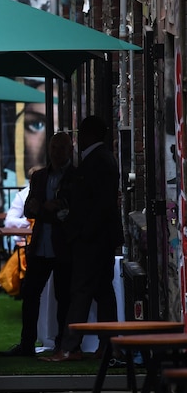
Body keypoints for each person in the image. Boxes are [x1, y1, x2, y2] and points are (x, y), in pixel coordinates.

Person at [44, 116, 123, 362]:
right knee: (102, 292)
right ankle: (107, 346)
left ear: (83, 135)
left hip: (92, 240)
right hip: (100, 239)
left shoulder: (97, 161)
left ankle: (69, 347)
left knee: (80, 291)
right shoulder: (103, 159)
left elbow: (99, 204)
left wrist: (81, 233)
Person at [0, 133, 75, 357]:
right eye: (53, 147)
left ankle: (63, 344)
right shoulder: (40, 176)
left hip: (63, 247)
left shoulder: (75, 177)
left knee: (64, 298)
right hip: (40, 245)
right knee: (30, 294)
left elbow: (71, 213)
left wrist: (44, 209)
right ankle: (27, 344)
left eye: (61, 148)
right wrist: (47, 208)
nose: (56, 152)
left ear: (70, 150)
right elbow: (29, 210)